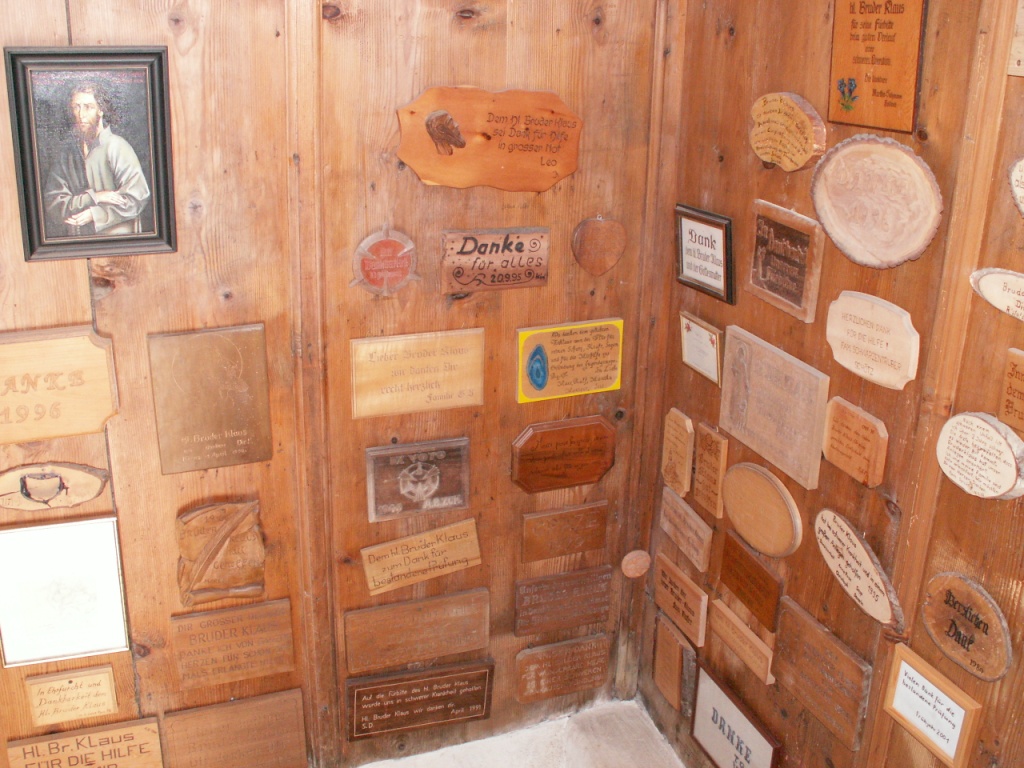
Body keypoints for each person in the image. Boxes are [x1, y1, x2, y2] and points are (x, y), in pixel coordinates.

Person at [43, 82, 151, 238]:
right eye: (76, 107)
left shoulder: (117, 147)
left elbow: (136, 199)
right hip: (77, 243)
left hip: (119, 242)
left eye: (88, 107)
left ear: (101, 110)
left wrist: (94, 214)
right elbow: (53, 203)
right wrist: (94, 196)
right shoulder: (68, 154)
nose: (81, 114)